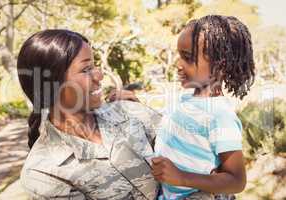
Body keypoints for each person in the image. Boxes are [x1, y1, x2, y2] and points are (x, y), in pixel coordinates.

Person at [18, 29, 162, 200]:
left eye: (94, 66)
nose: (100, 75)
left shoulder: (129, 112)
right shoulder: (43, 173)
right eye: (86, 69)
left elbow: (187, 152)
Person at [151, 15, 255, 200]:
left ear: (219, 64)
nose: (178, 64)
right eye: (179, 55)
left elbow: (237, 181)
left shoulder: (220, 115)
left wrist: (182, 177)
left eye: (188, 58)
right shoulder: (185, 100)